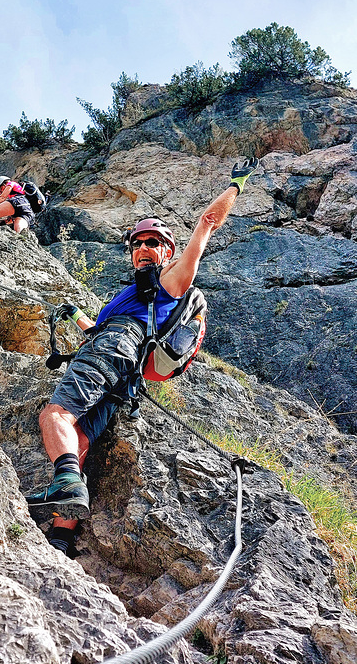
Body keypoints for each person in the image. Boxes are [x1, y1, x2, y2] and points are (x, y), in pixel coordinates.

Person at [26, 158, 259, 555]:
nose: (143, 248)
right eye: (137, 244)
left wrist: (236, 184)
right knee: (79, 437)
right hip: (125, 371)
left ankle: (65, 483)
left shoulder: (170, 281)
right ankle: (63, 535)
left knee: (57, 415)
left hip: (118, 350)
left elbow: (207, 223)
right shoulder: (134, 295)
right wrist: (76, 315)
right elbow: (102, 332)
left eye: (153, 242)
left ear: (168, 251)